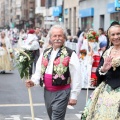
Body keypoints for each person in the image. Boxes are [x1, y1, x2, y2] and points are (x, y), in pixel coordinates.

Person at [26, 25, 81, 120]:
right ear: (50, 38)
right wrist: (33, 81)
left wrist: (74, 95)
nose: (57, 38)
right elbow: (39, 70)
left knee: (56, 118)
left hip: (62, 92)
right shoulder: (45, 52)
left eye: (60, 36)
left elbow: (76, 75)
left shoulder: (70, 53)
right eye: (54, 36)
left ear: (64, 38)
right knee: (52, 117)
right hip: (47, 91)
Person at [81, 21, 120, 120]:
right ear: (109, 37)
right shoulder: (107, 51)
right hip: (106, 89)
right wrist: (103, 69)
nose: (116, 37)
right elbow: (99, 71)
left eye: (118, 34)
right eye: (113, 34)